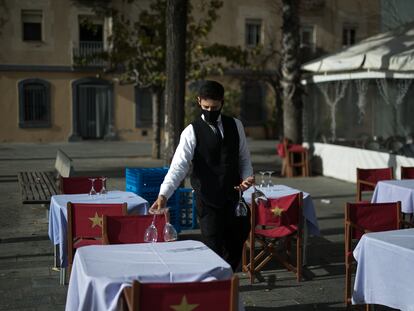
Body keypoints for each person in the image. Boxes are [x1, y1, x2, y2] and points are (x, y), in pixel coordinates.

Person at [150, 80, 254, 271]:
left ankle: (227, 281)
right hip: (208, 200)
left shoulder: (235, 125)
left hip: (234, 199)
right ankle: (215, 287)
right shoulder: (191, 131)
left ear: (222, 102)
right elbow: (178, 167)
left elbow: (244, 158)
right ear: (199, 102)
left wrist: (248, 177)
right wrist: (164, 194)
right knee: (213, 248)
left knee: (235, 243)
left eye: (214, 107)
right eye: (206, 107)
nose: (210, 111)